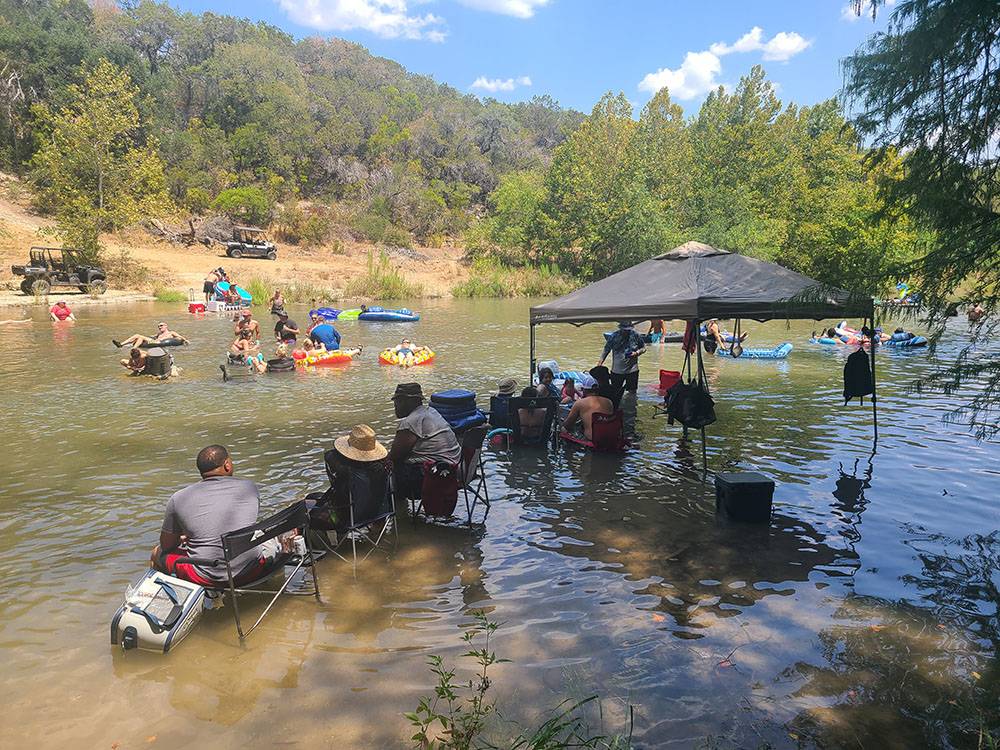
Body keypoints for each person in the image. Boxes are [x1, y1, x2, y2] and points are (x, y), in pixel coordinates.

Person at [150, 445, 270, 586]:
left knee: (156, 553)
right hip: (251, 570)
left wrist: (185, 537)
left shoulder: (179, 498)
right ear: (227, 465)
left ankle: (166, 596)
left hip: (206, 577)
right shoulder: (249, 488)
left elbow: (167, 545)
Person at [308, 424, 390, 537]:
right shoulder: (383, 469)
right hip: (378, 514)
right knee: (315, 496)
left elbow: (330, 456)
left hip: (347, 519)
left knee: (308, 501)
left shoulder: (347, 474)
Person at [389, 383, 461, 500]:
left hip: (436, 476)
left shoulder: (410, 422)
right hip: (455, 472)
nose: (395, 405)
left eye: (398, 401)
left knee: (384, 470)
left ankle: (393, 512)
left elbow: (394, 456)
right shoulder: (431, 412)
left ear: (408, 402)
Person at [598, 321, 646, 398]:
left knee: (632, 393)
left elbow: (643, 348)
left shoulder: (636, 335)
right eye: (624, 330)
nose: (626, 331)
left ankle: (630, 407)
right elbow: (606, 350)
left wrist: (637, 353)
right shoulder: (614, 336)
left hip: (632, 370)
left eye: (628, 330)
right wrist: (600, 363)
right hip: (617, 371)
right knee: (615, 392)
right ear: (620, 328)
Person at [113, 322, 188, 348]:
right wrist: (149, 337)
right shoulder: (159, 333)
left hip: (159, 343)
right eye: (159, 326)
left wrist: (186, 340)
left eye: (161, 325)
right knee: (137, 336)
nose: (160, 327)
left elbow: (180, 337)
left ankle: (134, 349)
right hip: (155, 341)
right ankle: (121, 344)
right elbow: (152, 336)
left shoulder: (171, 333)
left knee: (139, 337)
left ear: (166, 326)